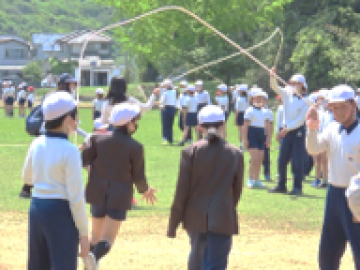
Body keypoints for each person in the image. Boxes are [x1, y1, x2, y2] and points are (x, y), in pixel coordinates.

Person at [22, 91, 95, 270]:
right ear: (67, 119)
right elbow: (76, 197)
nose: (77, 120)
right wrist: (84, 235)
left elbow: (26, 177)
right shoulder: (69, 150)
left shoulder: (36, 143)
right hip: (60, 212)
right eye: (75, 115)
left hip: (37, 209)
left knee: (38, 265)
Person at [168, 105, 244, 270]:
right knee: (216, 263)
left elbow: (181, 191)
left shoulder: (191, 151)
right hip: (223, 215)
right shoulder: (235, 153)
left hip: (195, 216)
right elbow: (237, 190)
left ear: (199, 126)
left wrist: (173, 223)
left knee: (196, 258)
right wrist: (228, 208)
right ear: (223, 123)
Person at [81, 103, 157, 267]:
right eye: (135, 121)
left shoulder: (95, 138)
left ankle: (89, 263)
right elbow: (139, 177)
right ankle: (91, 259)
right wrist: (146, 190)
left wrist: (93, 170)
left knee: (95, 237)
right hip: (119, 195)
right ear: (128, 123)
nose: (136, 124)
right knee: (107, 240)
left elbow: (82, 160)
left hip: (96, 192)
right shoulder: (135, 147)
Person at [306, 84, 360, 270]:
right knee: (328, 251)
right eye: (333, 107)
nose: (337, 112)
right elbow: (313, 148)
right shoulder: (331, 129)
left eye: (341, 106)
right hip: (334, 194)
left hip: (356, 196)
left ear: (353, 105)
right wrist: (312, 129)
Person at [269, 68, 310, 195]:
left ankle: (297, 187)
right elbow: (275, 87)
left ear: (302, 85)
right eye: (291, 83)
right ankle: (281, 185)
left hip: (298, 131)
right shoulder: (286, 93)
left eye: (295, 83)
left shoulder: (307, 101)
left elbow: (300, 120)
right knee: (282, 159)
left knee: (297, 160)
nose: (292, 85)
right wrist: (272, 77)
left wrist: (286, 129)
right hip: (286, 130)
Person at [243, 90, 270, 188]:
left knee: (260, 159)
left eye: (261, 98)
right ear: (252, 99)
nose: (259, 100)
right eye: (257, 98)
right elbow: (245, 126)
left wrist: (268, 138)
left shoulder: (265, 111)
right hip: (252, 133)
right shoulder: (250, 110)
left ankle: (257, 179)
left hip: (261, 134)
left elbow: (267, 125)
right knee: (254, 159)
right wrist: (245, 139)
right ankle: (250, 179)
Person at [260, 91, 274, 182]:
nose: (261, 101)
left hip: (264, 135)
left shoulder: (268, 112)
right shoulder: (252, 110)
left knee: (266, 156)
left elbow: (270, 125)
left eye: (263, 99)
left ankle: (267, 174)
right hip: (255, 135)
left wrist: (269, 137)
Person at [159, 80, 177, 145]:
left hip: (166, 108)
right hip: (173, 109)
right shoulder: (174, 92)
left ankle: (165, 138)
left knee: (165, 124)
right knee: (170, 124)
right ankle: (170, 138)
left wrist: (161, 107)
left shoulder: (165, 93)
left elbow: (162, 101)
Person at [234, 84, 249, 150]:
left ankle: (240, 145)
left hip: (240, 114)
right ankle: (247, 145)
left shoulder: (239, 99)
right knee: (246, 131)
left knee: (240, 131)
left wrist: (235, 119)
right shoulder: (248, 99)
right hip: (247, 115)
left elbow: (237, 110)